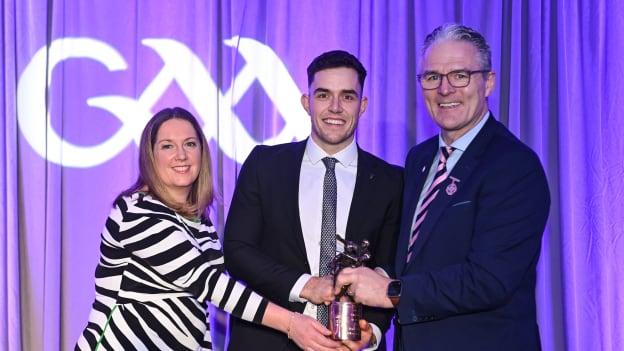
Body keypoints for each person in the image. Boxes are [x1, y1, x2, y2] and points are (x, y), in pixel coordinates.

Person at [335, 24, 550, 350]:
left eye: (460, 75)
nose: (445, 89)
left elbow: (489, 279)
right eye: (432, 77)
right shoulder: (418, 158)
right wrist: (373, 323)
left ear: (488, 82)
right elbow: (409, 256)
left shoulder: (514, 166)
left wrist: (392, 291)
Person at [75, 107, 342, 351]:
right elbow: (209, 284)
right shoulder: (136, 211)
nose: (181, 155)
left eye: (190, 144)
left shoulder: (200, 222)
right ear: (150, 156)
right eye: (167, 146)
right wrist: (292, 323)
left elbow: (198, 311)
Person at [223, 50, 403, 350]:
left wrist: (370, 331)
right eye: (323, 95)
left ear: (363, 106)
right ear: (306, 103)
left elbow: (390, 268)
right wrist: (306, 285)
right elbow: (238, 252)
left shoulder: (391, 181)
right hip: (267, 341)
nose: (335, 107)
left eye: (347, 96)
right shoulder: (264, 165)